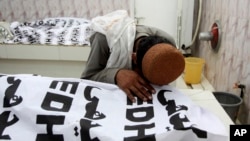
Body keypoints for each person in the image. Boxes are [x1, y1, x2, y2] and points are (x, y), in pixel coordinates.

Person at [81, 24, 179, 103]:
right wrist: (116, 74)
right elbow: (86, 79)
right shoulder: (103, 39)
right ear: (134, 58)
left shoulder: (169, 46)